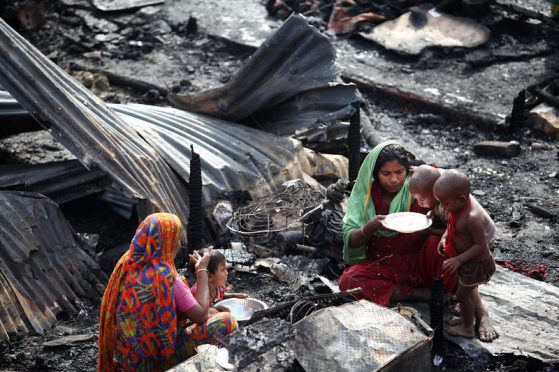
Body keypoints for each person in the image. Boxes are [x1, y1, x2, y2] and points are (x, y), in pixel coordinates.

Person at [98, 213, 238, 371]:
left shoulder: (127, 265)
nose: (179, 243)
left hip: (130, 360)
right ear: (167, 242)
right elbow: (200, 315)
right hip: (156, 363)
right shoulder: (165, 278)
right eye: (176, 237)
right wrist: (202, 272)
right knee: (226, 321)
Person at [339, 141, 444, 306]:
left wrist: (433, 225)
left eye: (399, 172)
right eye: (386, 173)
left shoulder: (418, 186)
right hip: (384, 265)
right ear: (375, 173)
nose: (394, 179)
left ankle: (441, 289)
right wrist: (370, 227)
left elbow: (452, 203)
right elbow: (351, 240)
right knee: (349, 281)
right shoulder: (366, 195)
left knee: (443, 244)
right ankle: (414, 294)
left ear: (407, 169)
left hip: (421, 262)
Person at [433, 170, 498, 342]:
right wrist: (445, 237)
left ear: (461, 199)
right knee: (464, 295)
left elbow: (481, 247)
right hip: (466, 263)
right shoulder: (457, 208)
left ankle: (468, 328)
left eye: (445, 203)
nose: (443, 208)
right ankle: (467, 319)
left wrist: (459, 259)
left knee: (462, 295)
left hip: (474, 265)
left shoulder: (472, 217)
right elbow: (451, 225)